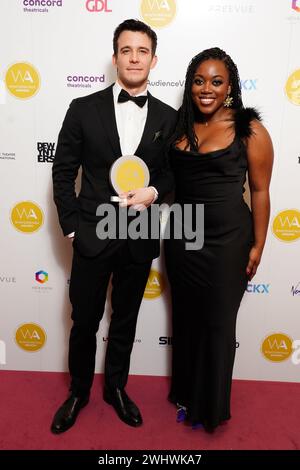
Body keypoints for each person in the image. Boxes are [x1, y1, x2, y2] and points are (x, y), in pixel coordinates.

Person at [51, 19, 177, 434]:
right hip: (91, 233)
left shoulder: (169, 118)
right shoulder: (82, 108)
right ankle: (79, 392)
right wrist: (71, 228)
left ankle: (116, 389)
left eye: (142, 51)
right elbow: (63, 170)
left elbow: (174, 176)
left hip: (138, 237)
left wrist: (154, 193)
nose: (135, 58)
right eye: (127, 50)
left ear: (153, 59)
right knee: (84, 320)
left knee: (125, 320)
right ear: (115, 57)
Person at [164, 47, 273, 432]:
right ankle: (186, 395)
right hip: (182, 239)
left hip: (228, 243)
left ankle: (209, 407)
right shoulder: (179, 126)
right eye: (198, 81)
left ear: (230, 87)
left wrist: (259, 244)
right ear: (190, 85)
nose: (206, 89)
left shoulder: (249, 129)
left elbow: (260, 191)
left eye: (216, 81)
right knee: (189, 320)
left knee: (218, 323)